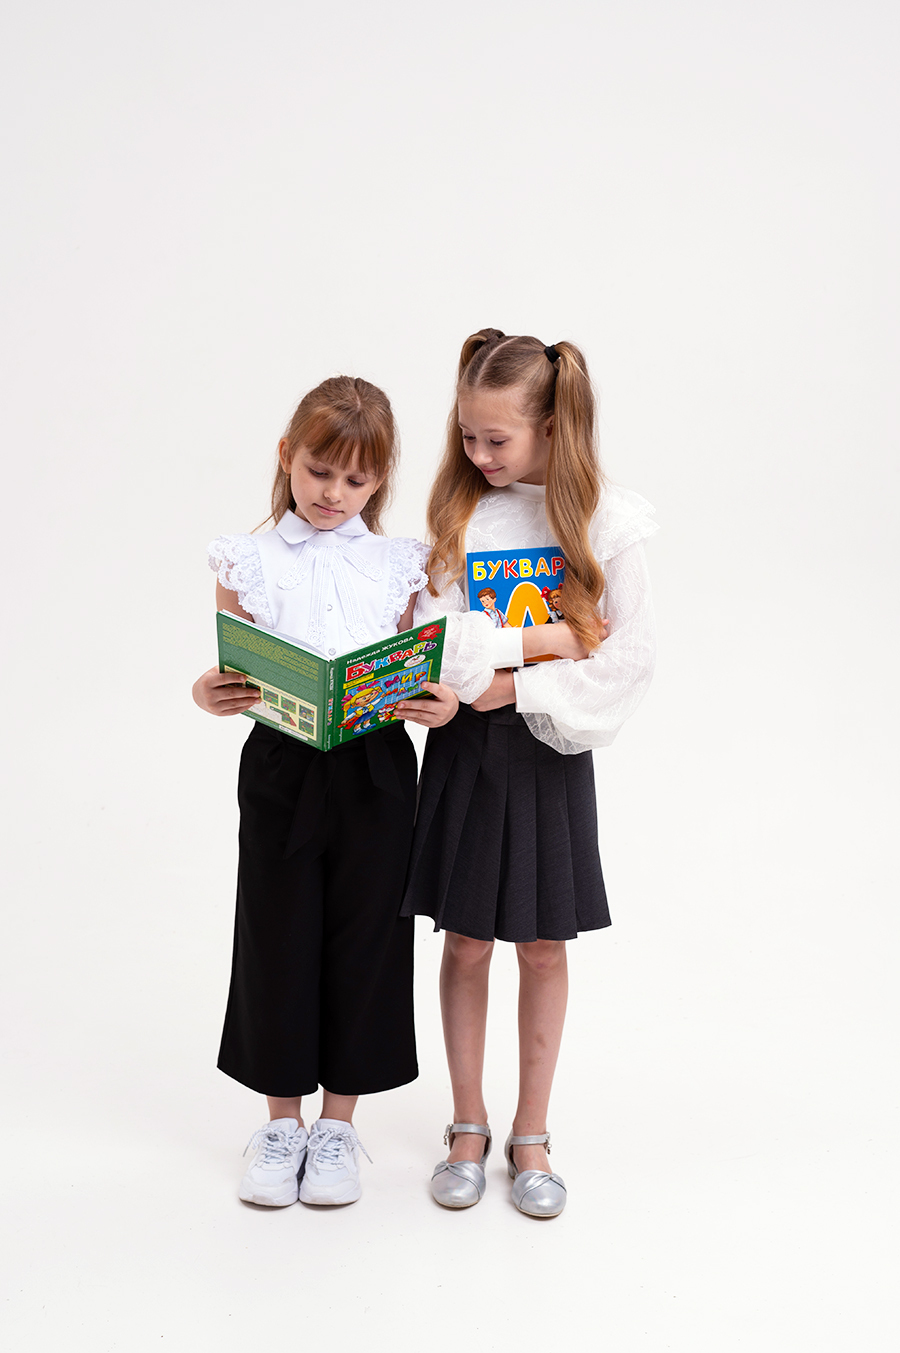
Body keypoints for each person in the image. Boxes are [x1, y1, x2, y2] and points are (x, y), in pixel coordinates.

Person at [402, 330, 657, 1217]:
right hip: (465, 756)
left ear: (551, 426)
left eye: (497, 438)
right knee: (467, 939)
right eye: (467, 435)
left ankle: (532, 1131)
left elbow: (628, 659)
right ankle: (466, 1123)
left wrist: (511, 681)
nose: (479, 454)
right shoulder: (462, 515)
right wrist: (547, 639)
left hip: (551, 753)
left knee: (543, 945)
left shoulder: (604, 521)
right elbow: (439, 645)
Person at [192, 376, 459, 1208]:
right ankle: (281, 1124)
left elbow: (421, 666)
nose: (334, 493)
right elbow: (232, 664)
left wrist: (441, 703)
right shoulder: (247, 558)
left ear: (380, 481)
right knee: (275, 933)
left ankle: (338, 1125)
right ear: (287, 456)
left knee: (368, 936)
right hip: (282, 766)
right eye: (319, 470)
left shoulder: (402, 563)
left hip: (377, 767)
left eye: (356, 479)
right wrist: (208, 691)